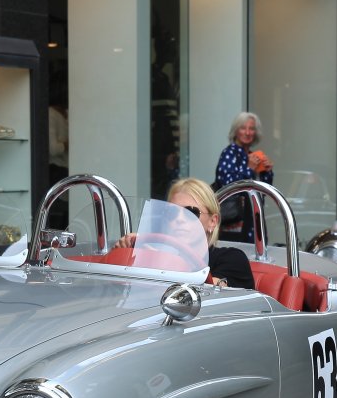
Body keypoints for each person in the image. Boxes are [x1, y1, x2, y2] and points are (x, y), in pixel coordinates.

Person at [115, 180, 255, 290]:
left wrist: (156, 260)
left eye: (191, 212)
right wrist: (127, 252)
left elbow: (209, 291)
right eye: (172, 212)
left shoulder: (232, 258)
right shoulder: (160, 254)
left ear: (213, 221)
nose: (179, 219)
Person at [214, 111, 273, 242]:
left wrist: (266, 172)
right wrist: (249, 169)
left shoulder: (253, 155)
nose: (247, 132)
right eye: (243, 128)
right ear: (236, 131)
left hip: (254, 221)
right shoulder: (229, 153)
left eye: (251, 128)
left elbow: (264, 191)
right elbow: (226, 185)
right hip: (235, 224)